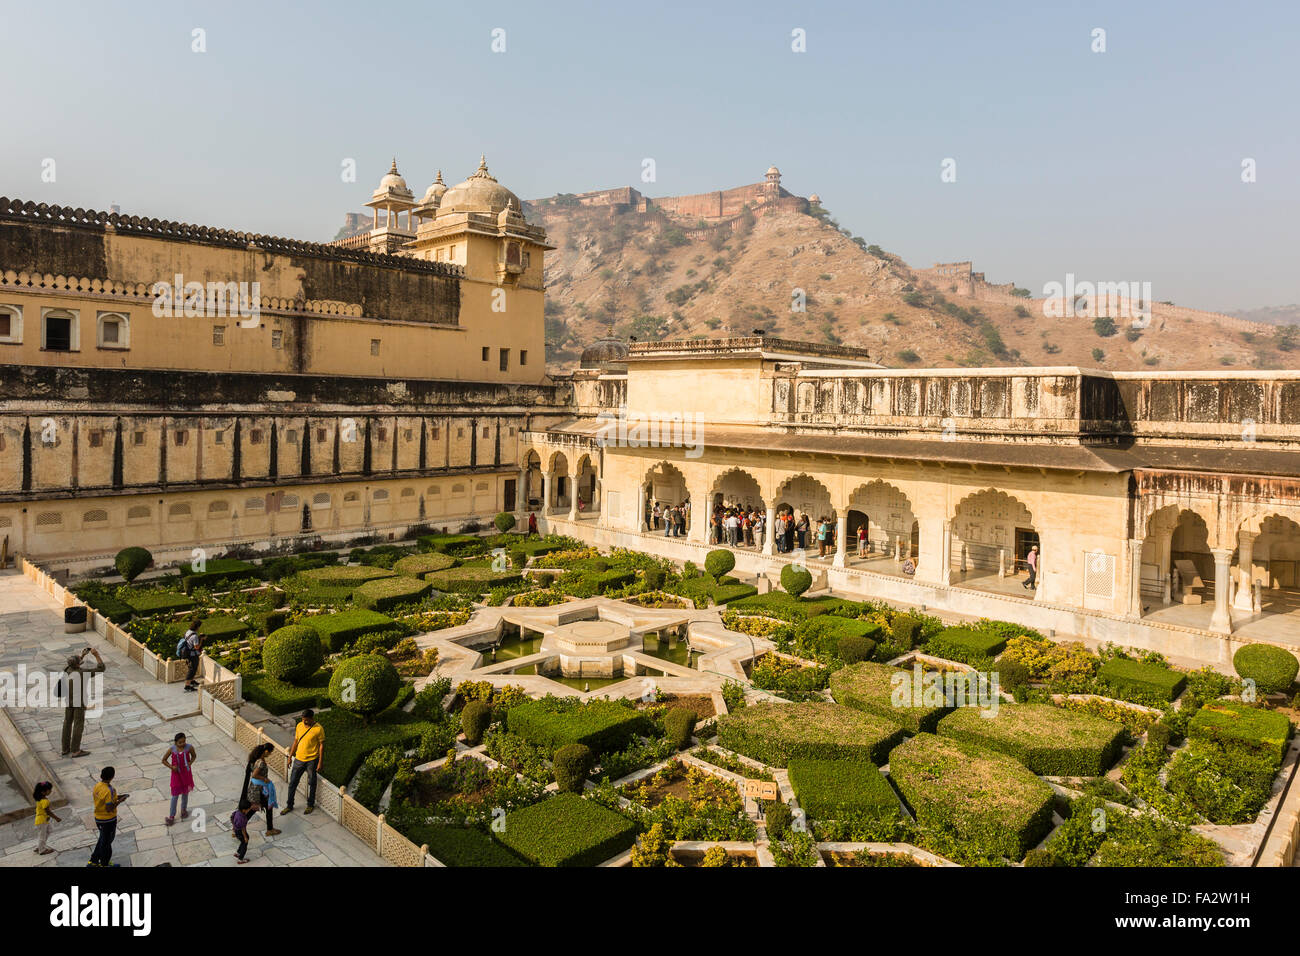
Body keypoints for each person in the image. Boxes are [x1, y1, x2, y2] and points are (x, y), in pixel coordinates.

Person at [60, 646, 104, 758]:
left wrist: (82, 655)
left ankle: (65, 749)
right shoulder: (83, 673)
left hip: (68, 701)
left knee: (67, 723)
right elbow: (101, 668)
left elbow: (73, 664)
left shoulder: (67, 670)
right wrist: (96, 655)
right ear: (78, 664)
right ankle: (75, 750)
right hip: (79, 702)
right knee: (78, 725)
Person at [283, 710, 324, 816]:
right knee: (292, 783)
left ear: (312, 718)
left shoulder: (318, 729)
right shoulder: (299, 726)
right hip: (299, 759)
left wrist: (320, 762)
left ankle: (310, 804)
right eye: (303, 719)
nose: (304, 722)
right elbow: (296, 741)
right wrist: (290, 757)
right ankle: (289, 805)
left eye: (306, 720)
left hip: (312, 760)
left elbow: (321, 746)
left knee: (312, 783)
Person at [89, 765, 128, 867]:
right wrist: (120, 800)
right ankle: (104, 864)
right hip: (108, 820)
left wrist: (117, 797)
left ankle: (93, 861)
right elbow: (109, 808)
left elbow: (105, 800)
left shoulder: (98, 786)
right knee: (106, 844)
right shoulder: (109, 790)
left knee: (102, 839)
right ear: (112, 776)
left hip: (98, 818)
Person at [162, 732, 197, 826]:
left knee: (185, 794)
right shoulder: (172, 749)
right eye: (180, 742)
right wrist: (171, 767)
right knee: (175, 796)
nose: (183, 744)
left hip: (186, 774)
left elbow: (194, 756)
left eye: (184, 741)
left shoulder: (189, 747)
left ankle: (183, 810)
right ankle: (171, 816)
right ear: (175, 742)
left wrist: (190, 763)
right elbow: (163, 760)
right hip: (176, 775)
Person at [246, 744, 281, 836]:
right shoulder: (260, 762)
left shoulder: (256, 759)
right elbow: (254, 775)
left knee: (260, 807)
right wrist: (265, 779)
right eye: (270, 752)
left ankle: (238, 826)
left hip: (255, 788)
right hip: (259, 790)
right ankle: (270, 829)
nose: (269, 754)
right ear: (266, 751)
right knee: (262, 807)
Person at [33, 780, 60, 855]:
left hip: (43, 819)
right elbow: (48, 811)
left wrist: (47, 817)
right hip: (41, 821)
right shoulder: (45, 801)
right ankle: (41, 850)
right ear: (43, 792)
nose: (51, 791)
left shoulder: (40, 799)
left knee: (49, 830)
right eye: (49, 790)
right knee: (42, 835)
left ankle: (40, 846)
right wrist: (56, 818)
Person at [231, 798, 259, 863]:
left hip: (236, 830)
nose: (249, 810)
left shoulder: (237, 812)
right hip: (240, 831)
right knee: (245, 843)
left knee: (243, 841)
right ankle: (240, 859)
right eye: (248, 809)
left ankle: (238, 853)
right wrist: (245, 837)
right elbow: (243, 829)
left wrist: (233, 827)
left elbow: (232, 817)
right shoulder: (242, 818)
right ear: (244, 810)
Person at [181, 618, 203, 691]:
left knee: (192, 668)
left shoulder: (188, 632)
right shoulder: (195, 636)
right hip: (192, 655)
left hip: (187, 653)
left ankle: (192, 681)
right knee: (192, 669)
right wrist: (201, 640)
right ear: (197, 627)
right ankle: (187, 686)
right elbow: (196, 647)